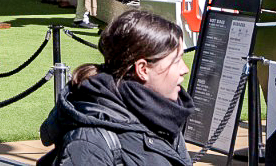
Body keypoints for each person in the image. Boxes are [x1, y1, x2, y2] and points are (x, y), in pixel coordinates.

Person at [39, 9, 192, 166]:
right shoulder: (90, 141)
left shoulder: (165, 113)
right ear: (143, 69)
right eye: (176, 60)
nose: (184, 69)